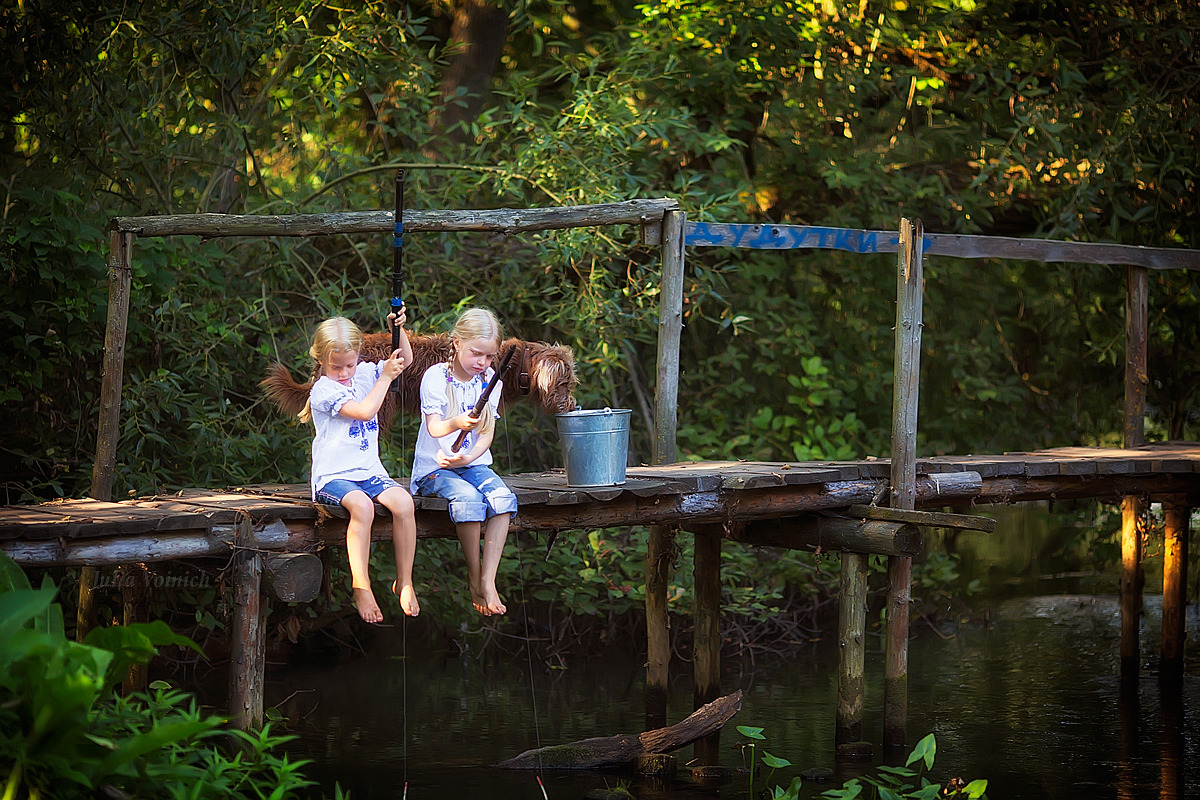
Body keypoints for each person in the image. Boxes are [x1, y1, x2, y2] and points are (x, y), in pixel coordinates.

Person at [300, 311, 420, 623]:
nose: (343, 373)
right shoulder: (323, 390)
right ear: (321, 361)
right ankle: (361, 585)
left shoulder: (365, 373)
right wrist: (385, 377)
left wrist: (399, 328)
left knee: (405, 503)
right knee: (363, 508)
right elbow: (365, 412)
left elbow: (404, 359)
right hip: (334, 477)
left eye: (349, 365)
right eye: (335, 366)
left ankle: (404, 580)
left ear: (358, 357)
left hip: (369, 472)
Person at [411, 307, 517, 616]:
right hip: (435, 469)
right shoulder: (436, 377)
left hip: (472, 463)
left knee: (502, 499)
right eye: (477, 354)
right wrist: (457, 422)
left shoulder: (490, 382)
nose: (483, 363)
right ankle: (473, 574)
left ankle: (489, 578)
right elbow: (434, 428)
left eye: (489, 357)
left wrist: (469, 456)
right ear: (457, 343)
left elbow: (487, 433)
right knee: (469, 499)